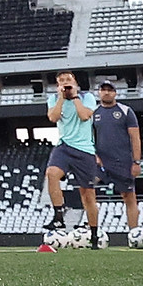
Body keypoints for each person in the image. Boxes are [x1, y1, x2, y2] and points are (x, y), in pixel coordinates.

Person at [41, 71, 104, 249]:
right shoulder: (53, 99)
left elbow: (85, 116)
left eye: (68, 80)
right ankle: (58, 215)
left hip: (84, 149)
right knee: (52, 174)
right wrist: (62, 97)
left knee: (87, 194)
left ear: (75, 82)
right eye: (61, 81)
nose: (65, 83)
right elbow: (53, 117)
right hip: (64, 145)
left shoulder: (87, 97)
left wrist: (74, 96)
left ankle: (93, 233)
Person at [89, 80, 142, 241]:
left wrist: (136, 161)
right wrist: (94, 156)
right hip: (100, 162)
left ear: (115, 93)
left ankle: (134, 234)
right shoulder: (93, 113)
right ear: (98, 92)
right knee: (87, 189)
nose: (106, 93)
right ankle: (92, 232)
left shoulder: (125, 111)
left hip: (122, 161)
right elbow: (89, 137)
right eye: (103, 90)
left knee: (129, 197)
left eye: (109, 90)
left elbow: (135, 137)